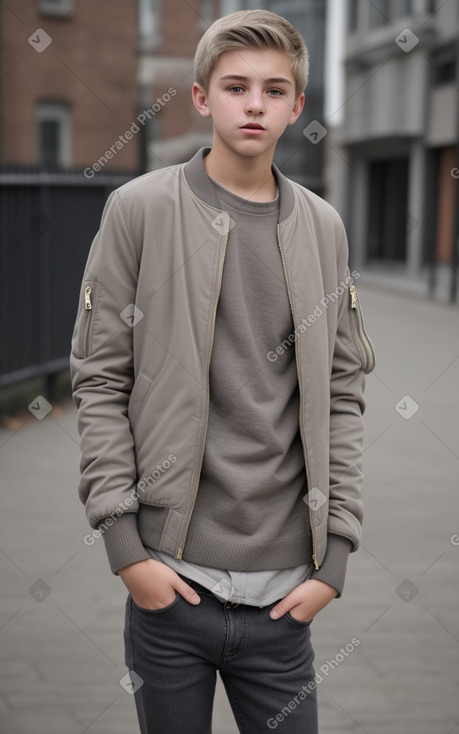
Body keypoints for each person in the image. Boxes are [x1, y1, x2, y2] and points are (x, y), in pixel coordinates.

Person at [70, 9, 375, 734]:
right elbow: (99, 380)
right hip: (171, 584)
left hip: (285, 598)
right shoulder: (138, 210)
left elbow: (341, 393)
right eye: (236, 87)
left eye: (274, 91)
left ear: (296, 106)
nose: (255, 104)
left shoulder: (322, 228)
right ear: (202, 97)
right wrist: (125, 551)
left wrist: (334, 560)